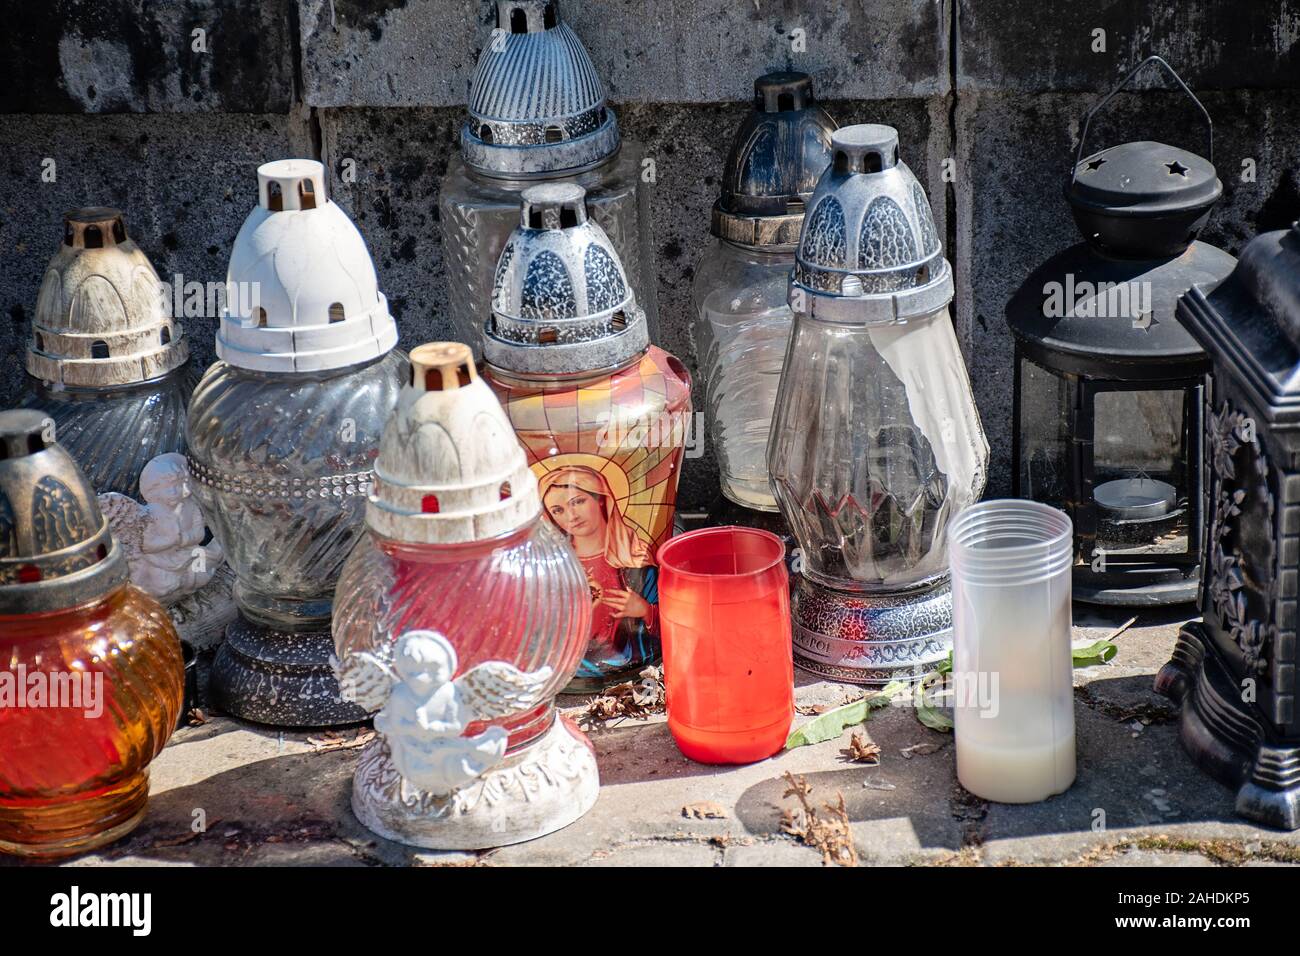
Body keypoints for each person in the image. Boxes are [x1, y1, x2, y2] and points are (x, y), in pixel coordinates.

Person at [538, 465, 659, 680]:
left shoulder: (635, 561)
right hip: (570, 663)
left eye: (577, 502)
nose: (571, 516)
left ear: (601, 499)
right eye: (558, 510)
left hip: (628, 660)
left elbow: (673, 622)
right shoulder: (554, 567)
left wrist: (644, 610)